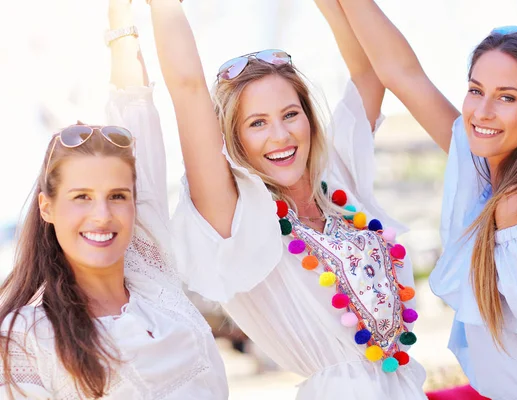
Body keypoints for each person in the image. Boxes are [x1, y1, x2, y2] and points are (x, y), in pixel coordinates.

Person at [146, 0, 427, 398]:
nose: (280, 136)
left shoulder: (338, 179)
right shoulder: (237, 216)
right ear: (233, 137)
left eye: (290, 114)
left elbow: (368, 72)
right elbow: (187, 89)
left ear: (309, 117)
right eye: (257, 123)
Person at [336, 1, 517, 399]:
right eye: (476, 90)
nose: (482, 111)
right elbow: (401, 73)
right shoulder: (488, 163)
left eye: (507, 97)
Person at [0, 0, 227, 398]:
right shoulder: (23, 335)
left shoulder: (151, 271)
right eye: (82, 197)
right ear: (46, 207)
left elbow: (136, 102)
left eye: (117, 196)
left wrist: (121, 16)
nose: (102, 214)